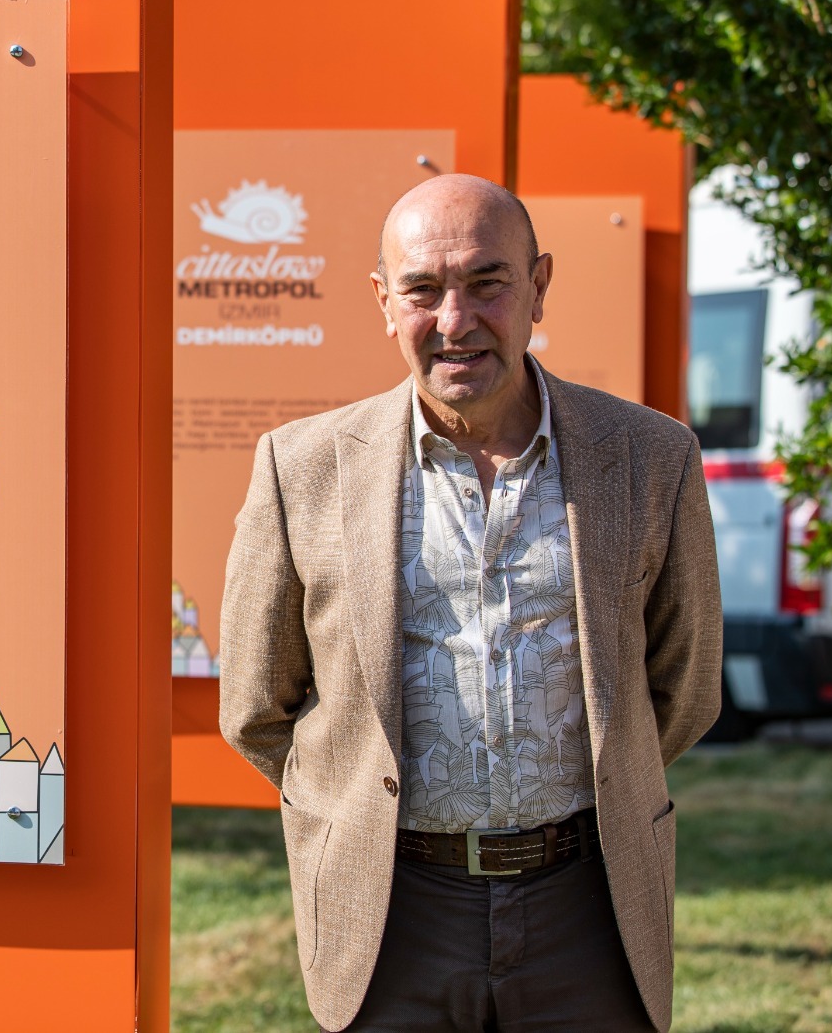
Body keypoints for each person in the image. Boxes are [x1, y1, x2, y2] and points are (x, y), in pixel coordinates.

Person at [219, 174, 721, 1032]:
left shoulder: (651, 457)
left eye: (488, 282)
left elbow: (685, 688)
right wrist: (352, 804)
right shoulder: (299, 468)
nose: (455, 320)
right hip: (390, 913)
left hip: (589, 908)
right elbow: (256, 705)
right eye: (422, 290)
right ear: (384, 302)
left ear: (539, 286)